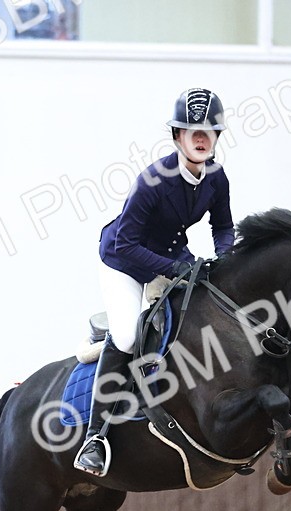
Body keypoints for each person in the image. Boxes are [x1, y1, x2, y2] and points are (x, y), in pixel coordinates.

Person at [74, 88, 235, 477]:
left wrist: (225, 259)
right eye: (192, 130)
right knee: (129, 336)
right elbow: (127, 244)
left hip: (170, 257)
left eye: (209, 131)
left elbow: (224, 226)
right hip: (123, 262)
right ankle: (95, 438)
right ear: (177, 136)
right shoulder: (152, 181)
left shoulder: (216, 177)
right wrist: (173, 268)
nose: (201, 138)